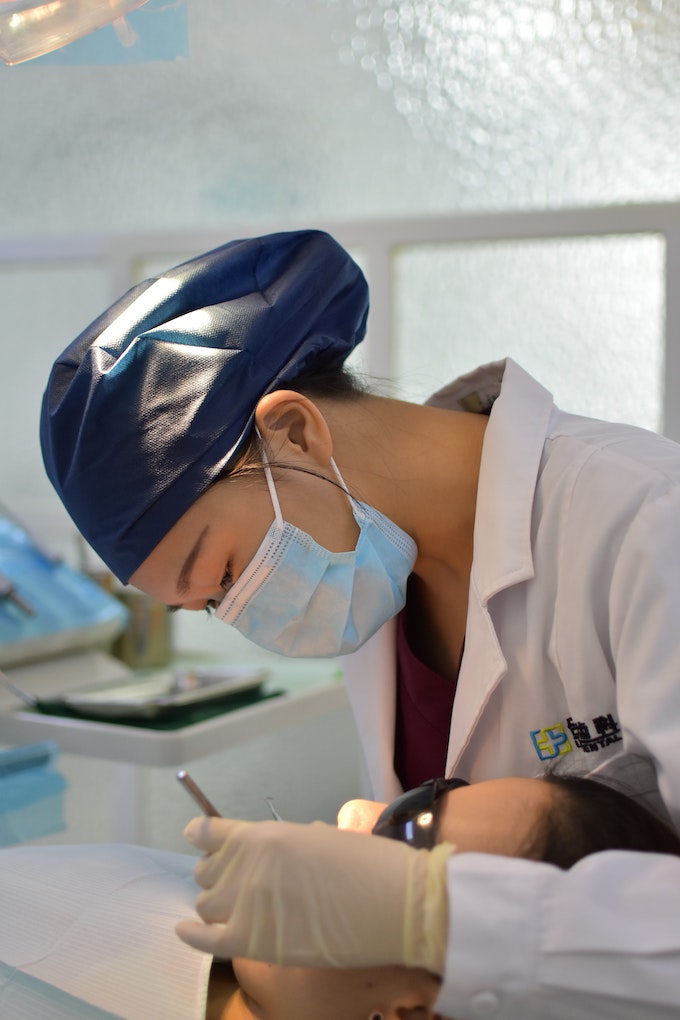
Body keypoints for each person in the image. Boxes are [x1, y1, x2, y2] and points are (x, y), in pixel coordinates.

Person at [40, 229, 680, 1018]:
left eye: (230, 573)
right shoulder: (368, 565)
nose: (244, 616)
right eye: (208, 604)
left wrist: (430, 916)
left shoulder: (647, 520)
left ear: (297, 432)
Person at [2, 773, 679, 1020]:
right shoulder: (145, 892)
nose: (356, 813)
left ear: (413, 1012)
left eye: (408, 835)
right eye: (425, 794)